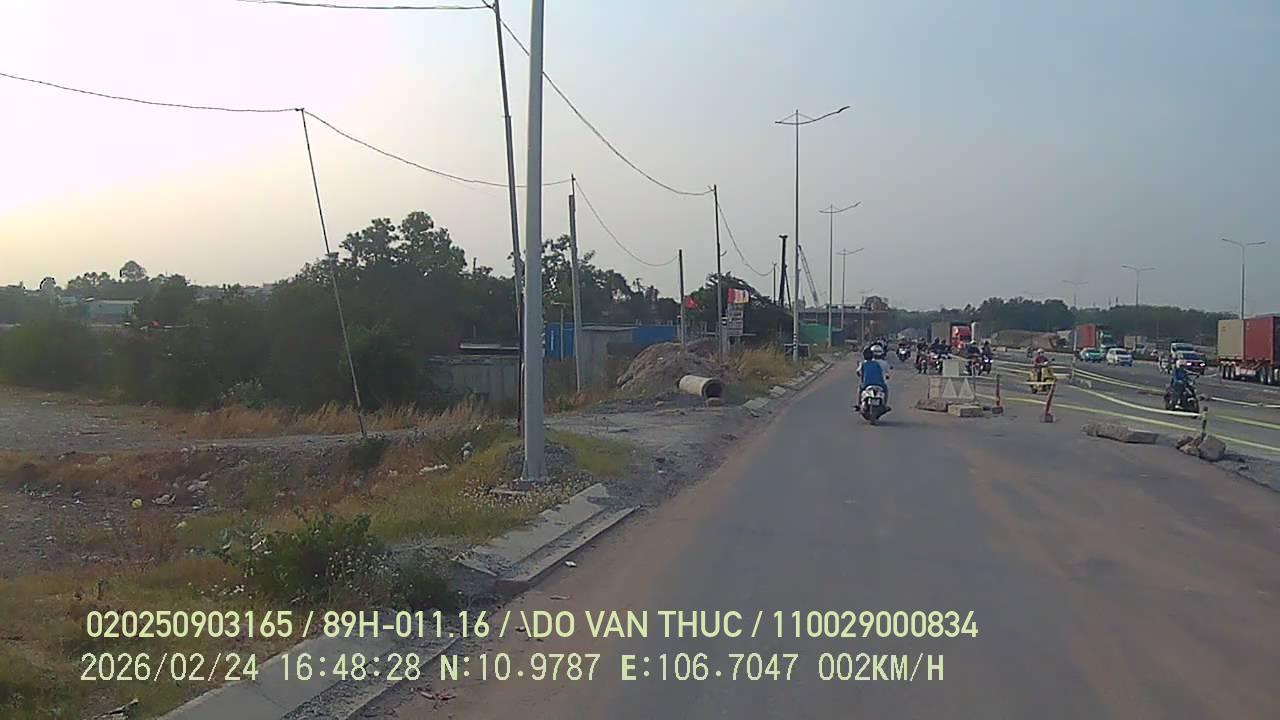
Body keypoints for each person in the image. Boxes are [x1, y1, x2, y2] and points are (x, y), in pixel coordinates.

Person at [858, 344, 891, 411]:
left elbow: (859, 373)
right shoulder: (877, 364)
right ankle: (885, 405)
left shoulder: (863, 364)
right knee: (886, 389)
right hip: (879, 384)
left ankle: (859, 403)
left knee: (860, 389)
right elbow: (882, 374)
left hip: (866, 384)